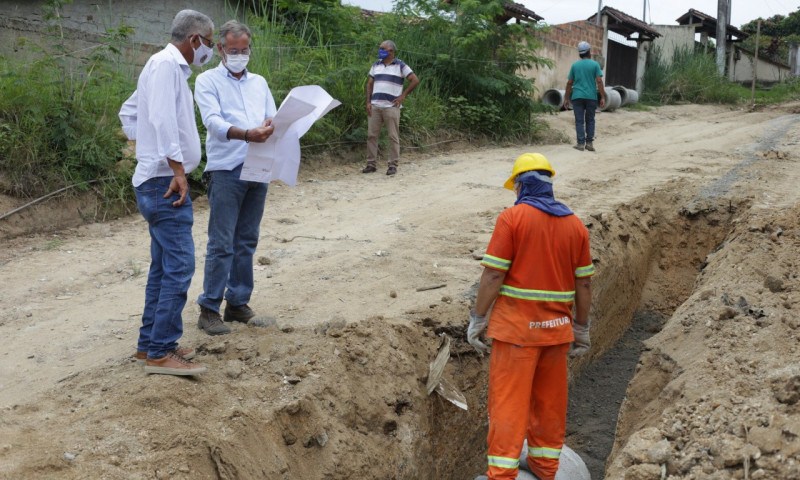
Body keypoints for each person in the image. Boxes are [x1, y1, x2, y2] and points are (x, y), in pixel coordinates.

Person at [468, 153, 594, 480]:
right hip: (556, 335)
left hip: (516, 336)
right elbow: (584, 282)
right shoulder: (575, 225)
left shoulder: (513, 219)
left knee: (508, 409)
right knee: (549, 408)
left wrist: (479, 319)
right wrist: (581, 326)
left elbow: (493, 276)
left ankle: (502, 475)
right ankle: (545, 470)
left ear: (522, 185)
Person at [118, 9, 215, 376]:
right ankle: (160, 351)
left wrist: (149, 150)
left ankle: (151, 345)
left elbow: (130, 114)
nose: (208, 52)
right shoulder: (164, 66)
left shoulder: (165, 69)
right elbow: (159, 118)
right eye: (208, 44)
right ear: (194, 40)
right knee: (179, 266)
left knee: (163, 267)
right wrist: (173, 166)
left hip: (157, 176)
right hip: (164, 182)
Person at [193, 20, 277, 336]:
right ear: (220, 49)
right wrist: (245, 134)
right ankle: (209, 308)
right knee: (221, 242)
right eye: (233, 50)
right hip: (227, 170)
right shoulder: (207, 81)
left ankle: (238, 302)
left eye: (244, 50)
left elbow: (272, 115)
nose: (239, 55)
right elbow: (212, 122)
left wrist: (272, 124)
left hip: (259, 167)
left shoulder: (259, 82)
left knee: (247, 239)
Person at [362, 40, 420, 176]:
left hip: (391, 107)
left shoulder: (400, 65)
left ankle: (393, 165)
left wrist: (403, 96)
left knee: (393, 136)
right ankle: (371, 164)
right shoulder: (376, 65)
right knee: (371, 136)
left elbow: (415, 80)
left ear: (391, 51)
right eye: (380, 48)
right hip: (375, 105)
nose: (380, 51)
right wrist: (368, 102)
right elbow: (369, 84)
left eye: (383, 49)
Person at [564, 41, 606, 152]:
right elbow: (599, 81)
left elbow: (569, 83)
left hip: (577, 96)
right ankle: (589, 143)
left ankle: (580, 144)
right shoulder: (595, 65)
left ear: (580, 53)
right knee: (590, 120)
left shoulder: (575, 66)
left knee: (579, 121)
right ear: (589, 52)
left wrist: (566, 98)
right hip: (591, 97)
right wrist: (602, 96)